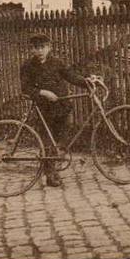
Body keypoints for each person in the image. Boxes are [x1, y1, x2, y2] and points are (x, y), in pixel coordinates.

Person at [19, 34, 88, 187]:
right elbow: (26, 88)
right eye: (35, 47)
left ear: (49, 47)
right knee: (48, 142)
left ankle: (54, 165)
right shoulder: (27, 67)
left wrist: (88, 82)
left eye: (42, 47)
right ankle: (50, 175)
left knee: (63, 138)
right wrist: (43, 93)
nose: (39, 51)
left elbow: (71, 77)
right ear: (31, 49)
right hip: (44, 109)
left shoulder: (57, 63)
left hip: (62, 106)